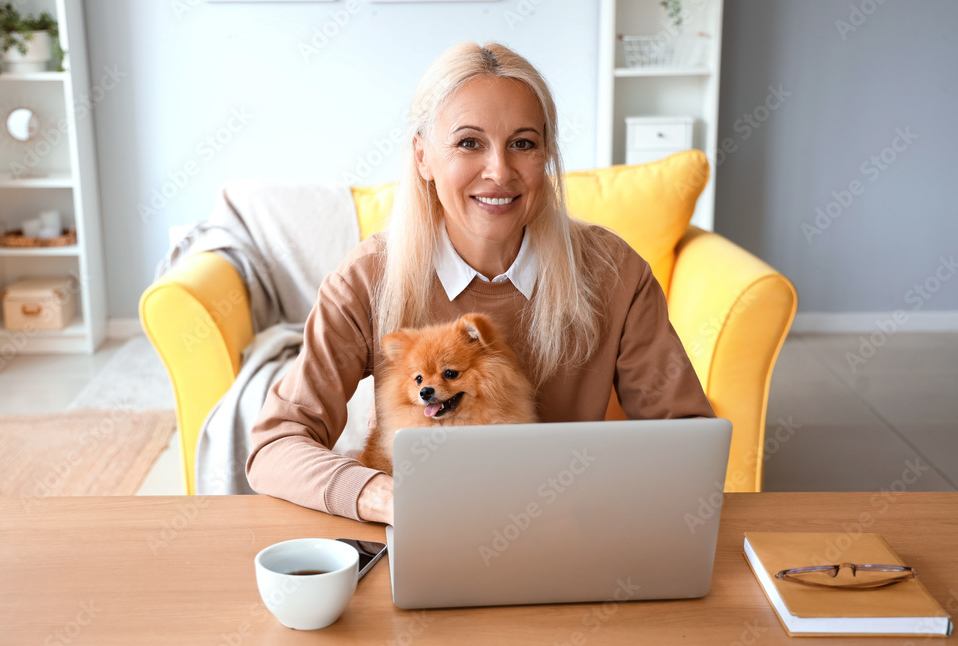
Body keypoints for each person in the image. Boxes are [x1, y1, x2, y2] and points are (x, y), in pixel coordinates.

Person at [247, 42, 714, 525]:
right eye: (469, 143)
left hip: (574, 532)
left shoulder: (613, 271)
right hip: (425, 535)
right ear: (423, 157)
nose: (499, 171)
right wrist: (384, 497)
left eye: (524, 143)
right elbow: (276, 444)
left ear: (547, 156)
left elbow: (689, 439)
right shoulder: (368, 278)